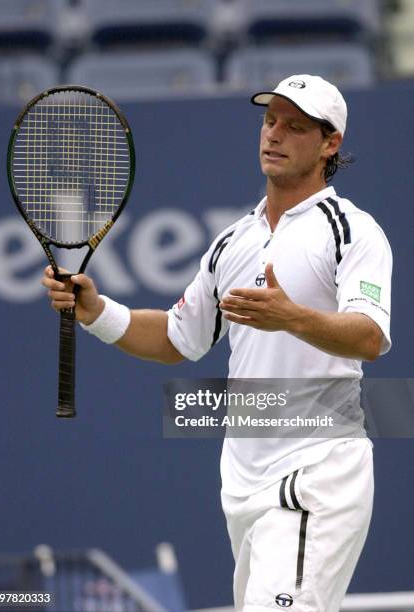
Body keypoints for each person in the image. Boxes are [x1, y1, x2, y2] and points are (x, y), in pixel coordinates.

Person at [42, 74, 392, 612]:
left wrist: (291, 317)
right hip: (243, 487)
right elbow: (178, 338)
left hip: (317, 472)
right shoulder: (233, 241)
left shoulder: (352, 230)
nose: (273, 135)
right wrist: (96, 310)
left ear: (330, 143)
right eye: (269, 120)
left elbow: (369, 336)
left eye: (294, 126)